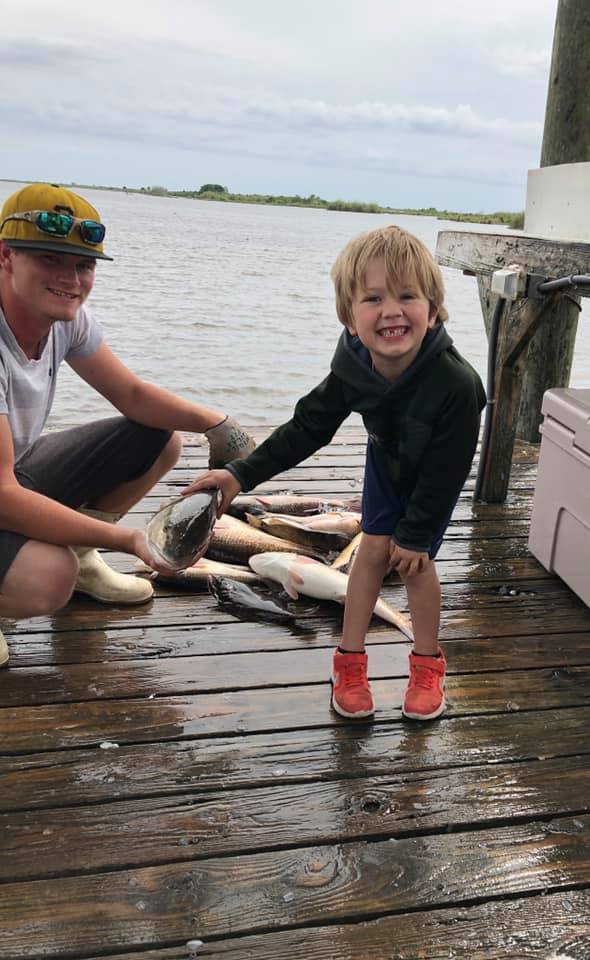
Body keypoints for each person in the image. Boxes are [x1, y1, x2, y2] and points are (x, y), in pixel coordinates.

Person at [184, 225, 486, 721]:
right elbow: (308, 427)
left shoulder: (457, 384)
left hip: (434, 476)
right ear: (349, 318)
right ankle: (349, 661)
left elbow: (451, 468)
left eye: (408, 296)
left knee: (416, 566)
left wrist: (415, 534)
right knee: (371, 552)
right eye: (373, 298)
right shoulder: (353, 369)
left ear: (433, 311)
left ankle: (427, 662)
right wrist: (239, 475)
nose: (391, 310)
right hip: (386, 461)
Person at [0, 182, 255, 669]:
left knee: (159, 438)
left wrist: (218, 425)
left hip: (11, 472)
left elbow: (132, 396)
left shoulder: (65, 317)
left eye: (84, 265)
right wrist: (131, 540)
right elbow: (3, 496)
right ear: (6, 256)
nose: (71, 278)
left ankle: (83, 560)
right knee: (50, 576)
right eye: (51, 259)